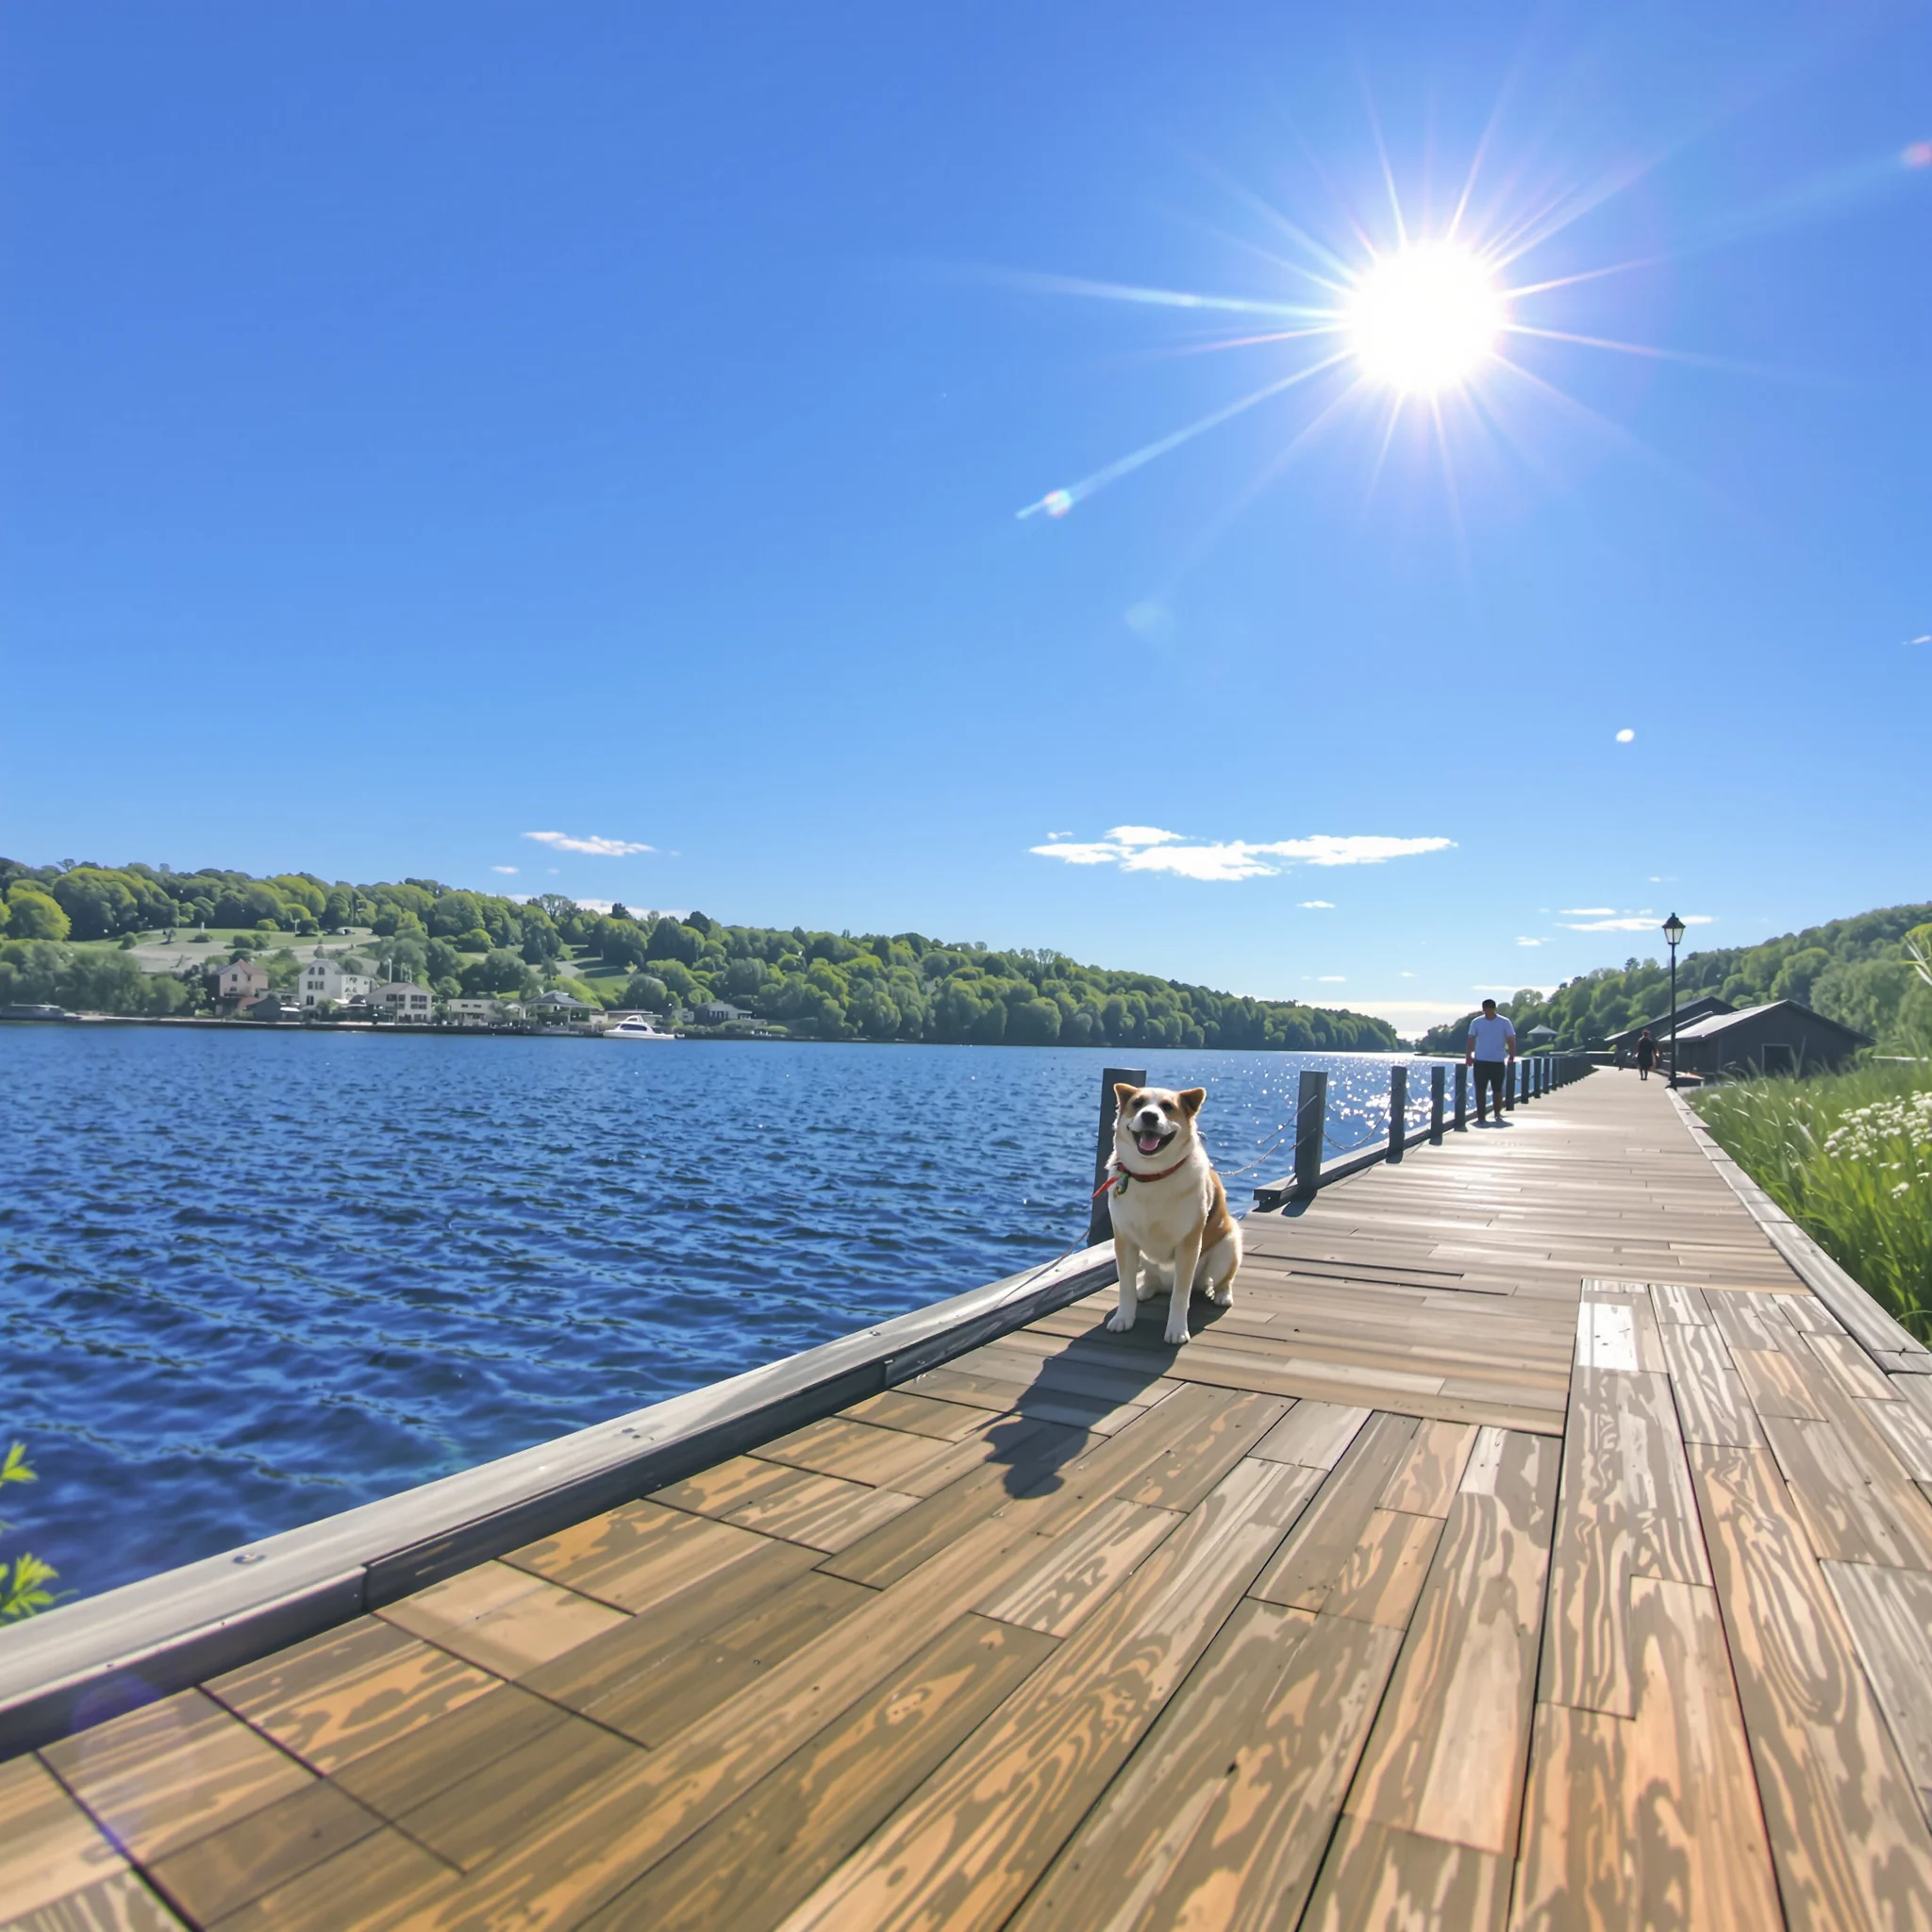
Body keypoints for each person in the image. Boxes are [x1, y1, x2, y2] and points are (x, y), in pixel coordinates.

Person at [1465, 999, 1516, 1124]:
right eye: (1486, 1010)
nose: (1488, 1012)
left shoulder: (1504, 1022)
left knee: (1497, 1089)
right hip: (1481, 1060)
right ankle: (1481, 1116)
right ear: (1483, 1009)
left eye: (1490, 1010)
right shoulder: (1476, 1022)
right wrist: (1468, 1055)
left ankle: (1497, 1113)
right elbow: (1471, 1039)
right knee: (1480, 1089)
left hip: (1498, 1060)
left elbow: (1511, 1039)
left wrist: (1511, 1055)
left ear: (1494, 1009)